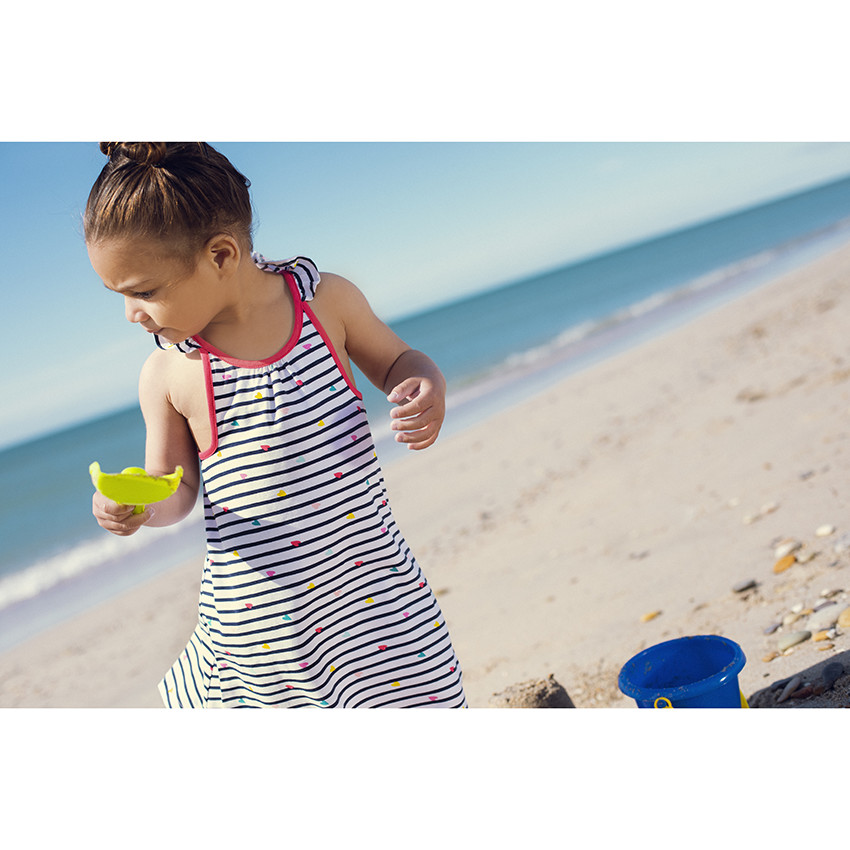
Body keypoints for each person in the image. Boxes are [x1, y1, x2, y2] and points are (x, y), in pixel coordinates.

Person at [86, 142, 467, 708]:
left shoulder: (324, 301)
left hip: (381, 598)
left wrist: (424, 385)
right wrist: (139, 507)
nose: (130, 314)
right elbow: (176, 489)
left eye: (143, 292)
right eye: (119, 295)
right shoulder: (170, 371)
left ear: (220, 256)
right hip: (266, 635)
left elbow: (396, 362)